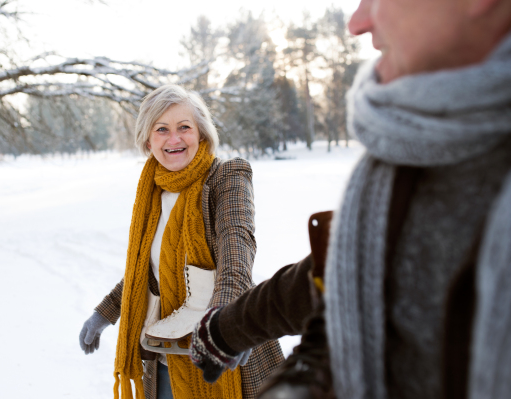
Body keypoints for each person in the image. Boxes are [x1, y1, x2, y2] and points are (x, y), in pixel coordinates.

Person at [190, 0, 511, 398]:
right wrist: (226, 329)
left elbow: (235, 240)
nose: (357, 23)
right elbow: (348, 275)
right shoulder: (421, 154)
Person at [78, 84, 283, 399]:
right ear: (148, 140)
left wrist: (227, 323)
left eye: (184, 127)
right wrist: (106, 313)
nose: (174, 139)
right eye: (162, 129)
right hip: (163, 362)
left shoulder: (226, 178)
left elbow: (237, 251)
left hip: (224, 356)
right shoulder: (153, 194)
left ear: (201, 133)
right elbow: (147, 269)